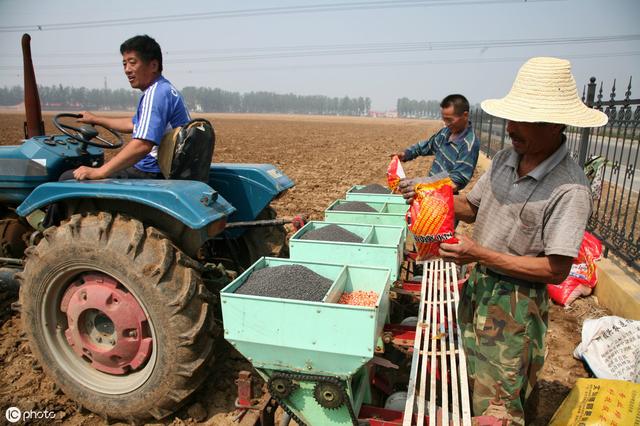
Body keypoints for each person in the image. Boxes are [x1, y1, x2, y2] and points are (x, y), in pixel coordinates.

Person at [408, 57, 607, 425]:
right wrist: (431, 198)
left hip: (516, 306)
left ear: (555, 125)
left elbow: (556, 269)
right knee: (473, 375)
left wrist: (478, 253)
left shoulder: (570, 187)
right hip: (480, 286)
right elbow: (470, 207)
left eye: (523, 121)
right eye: (511, 118)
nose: (511, 128)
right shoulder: (504, 158)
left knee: (500, 402)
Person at [70, 34, 190, 180]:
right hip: (160, 168)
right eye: (124, 64)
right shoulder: (165, 89)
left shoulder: (156, 94)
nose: (127, 69)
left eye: (132, 63)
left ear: (153, 65)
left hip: (151, 171)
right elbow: (133, 124)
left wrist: (100, 172)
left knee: (66, 178)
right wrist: (95, 119)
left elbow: (142, 144)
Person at [393, 94, 480, 192]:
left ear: (465, 115)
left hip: (443, 198)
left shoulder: (469, 145)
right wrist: (405, 154)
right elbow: (427, 146)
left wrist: (421, 185)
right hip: (429, 190)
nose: (446, 124)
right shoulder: (446, 132)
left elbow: (455, 182)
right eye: (444, 119)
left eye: (450, 120)